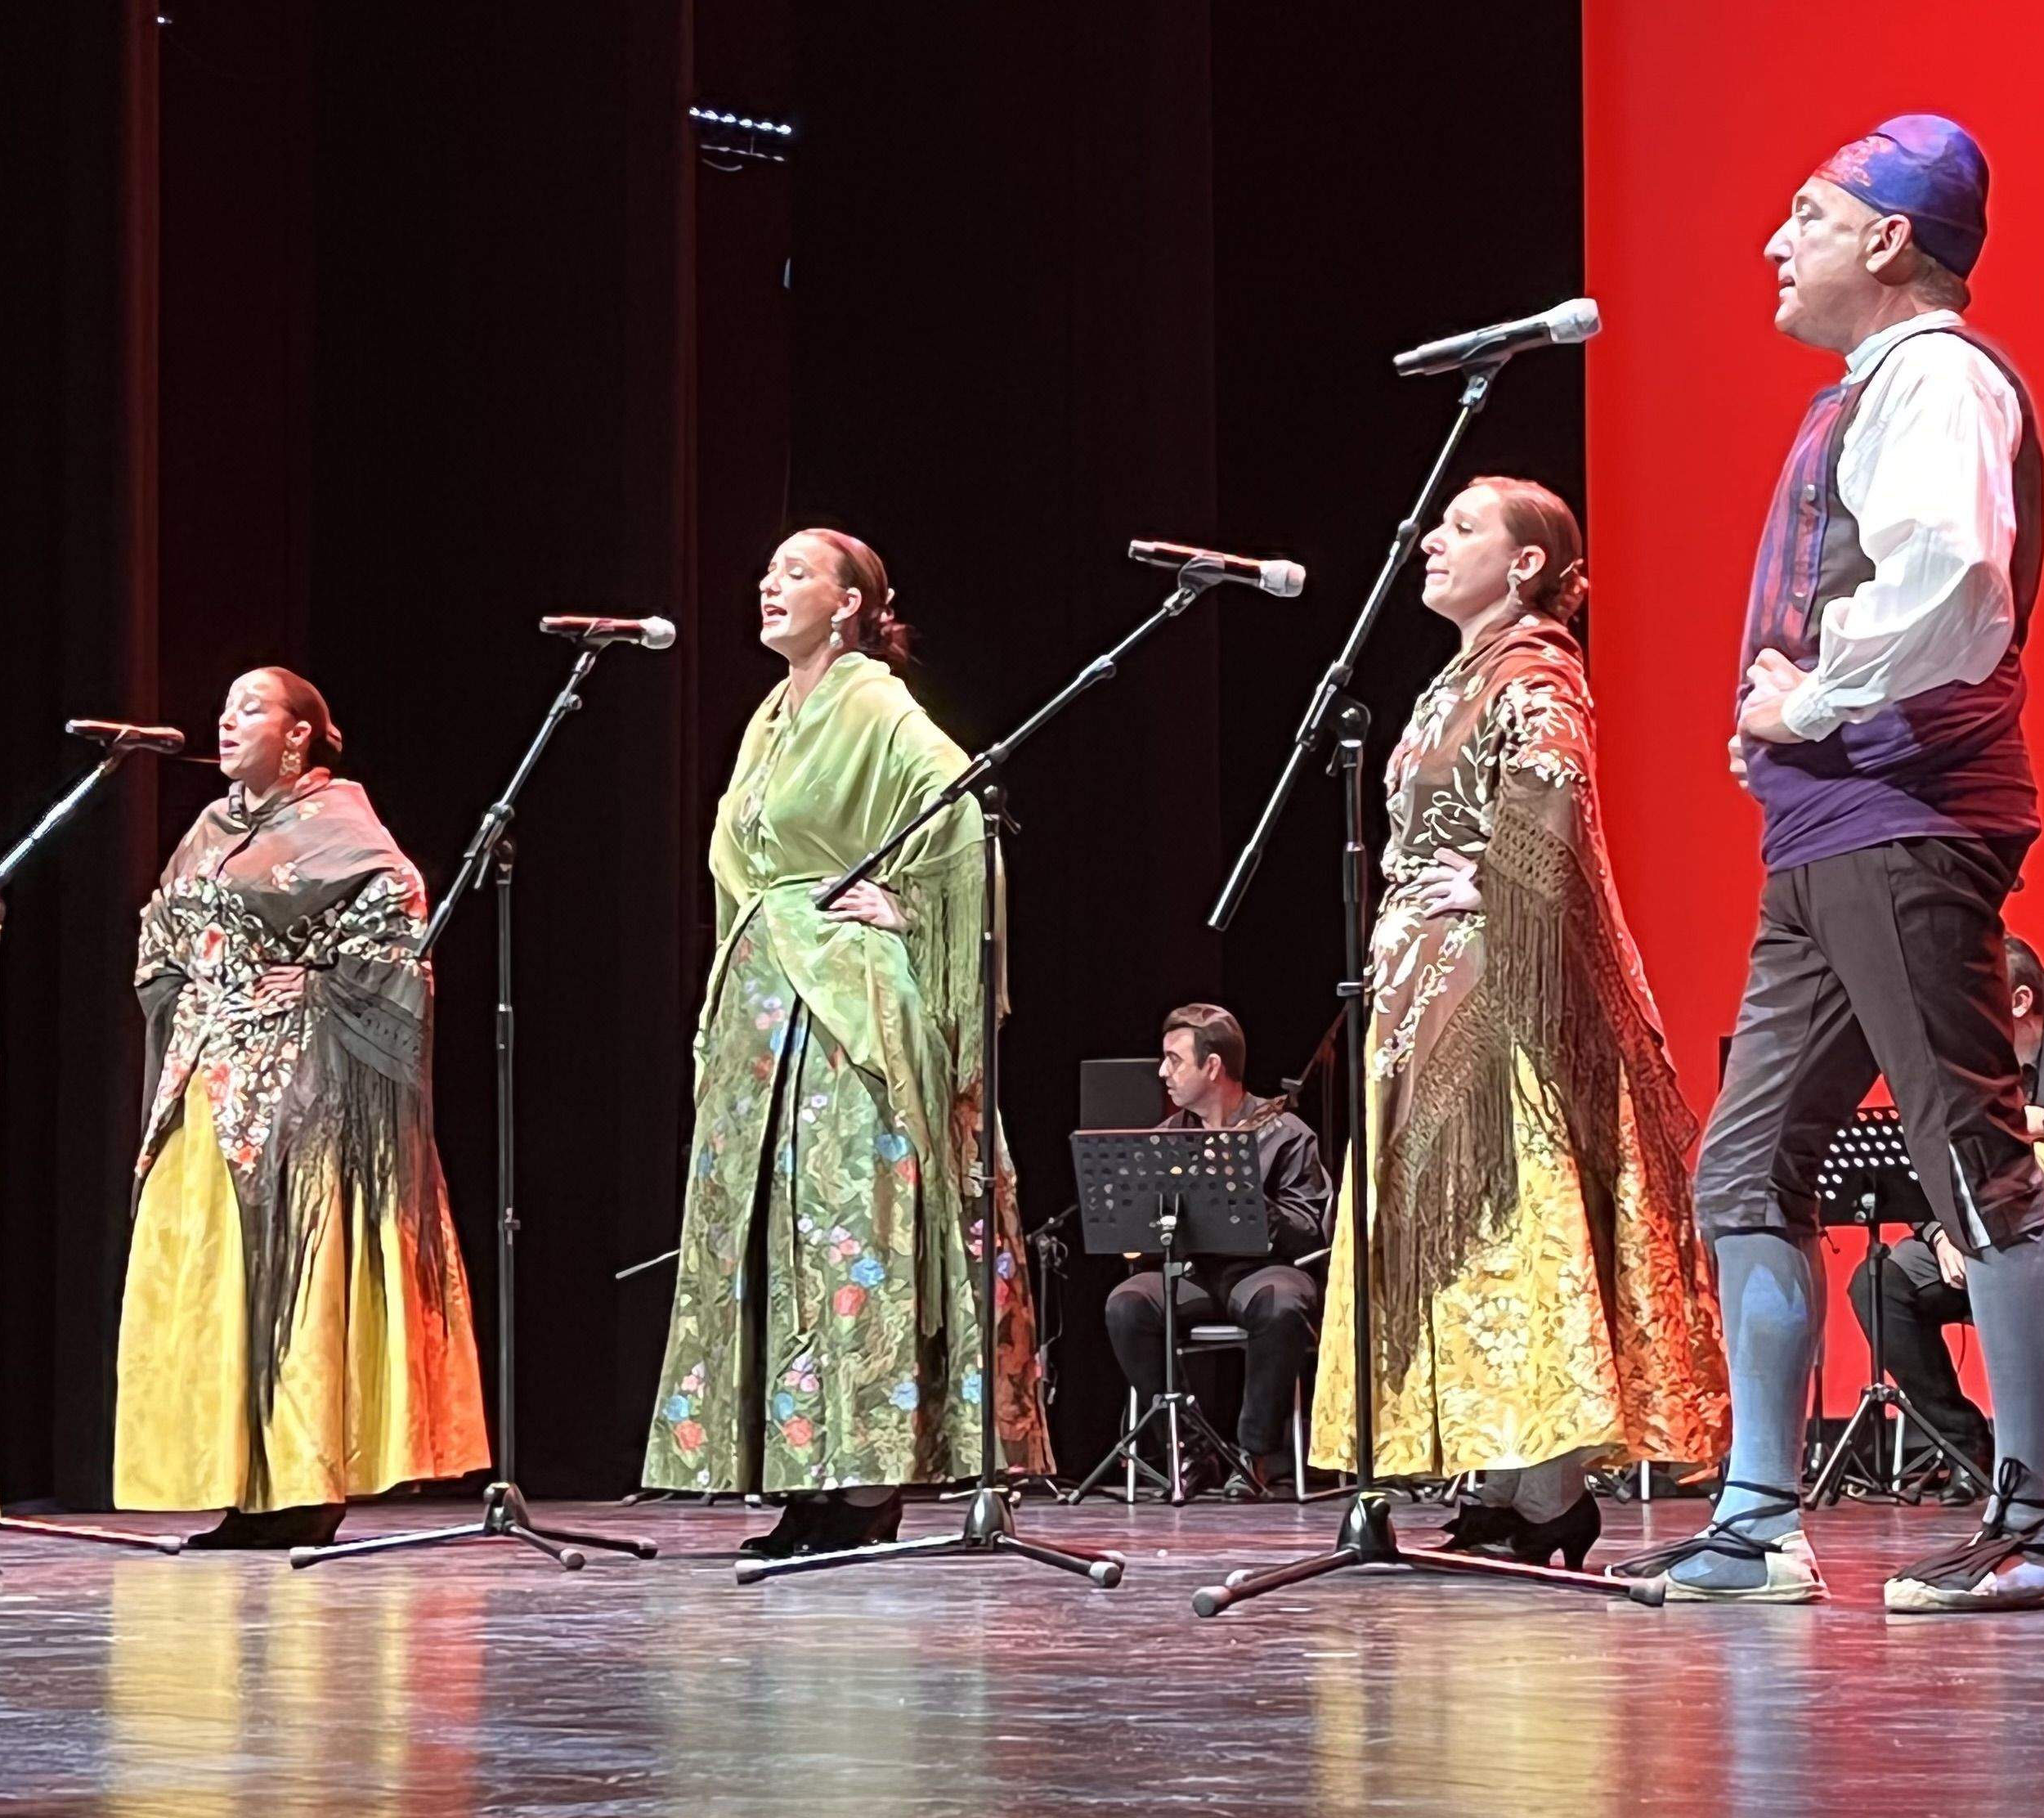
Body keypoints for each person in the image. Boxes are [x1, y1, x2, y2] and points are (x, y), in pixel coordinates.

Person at [1659, 114, 2044, 1611]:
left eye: (1806, 215)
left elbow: (1955, 582)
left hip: (1903, 815)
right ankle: (1758, 1516)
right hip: (1827, 823)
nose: (1776, 246)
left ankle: (2035, 1525)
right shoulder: (1866, 394)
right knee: (1745, 1163)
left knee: (1971, 1158)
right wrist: (1781, 729)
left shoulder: (1938, 378)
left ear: (1889, 239)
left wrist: (1817, 702)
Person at [1309, 474, 1728, 1573]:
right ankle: (1495, 1476)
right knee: (1456, 1223)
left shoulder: (1537, 673)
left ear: (1529, 564)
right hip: (1425, 984)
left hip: (1496, 987)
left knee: (1506, 1214)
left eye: (1462, 528)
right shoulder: (1456, 678)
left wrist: (1491, 888)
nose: (1431, 542)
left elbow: (1552, 802)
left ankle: (1548, 1491)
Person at [647, 529, 1051, 1558]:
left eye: (797, 573)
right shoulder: (771, 716)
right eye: (767, 571)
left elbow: (961, 808)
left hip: (844, 1000)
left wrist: (912, 907)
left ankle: (865, 1477)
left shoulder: (869, 700)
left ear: (854, 604)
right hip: (765, 997)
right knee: (776, 1234)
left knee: (846, 1225)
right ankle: (805, 1474)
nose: (770, 585)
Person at [115, 668, 491, 1549]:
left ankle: (304, 1483)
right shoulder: (209, 829)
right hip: (209, 1075)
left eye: (251, 707)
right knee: (218, 1276)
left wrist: (318, 987)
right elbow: (162, 928)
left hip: (299, 1080)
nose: (228, 718)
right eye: (224, 706)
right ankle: (237, 1484)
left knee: (293, 1269)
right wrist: (196, 982)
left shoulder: (340, 826)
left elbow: (400, 915)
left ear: (298, 735)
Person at [1847, 936, 2044, 1493]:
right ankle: (1968, 1443)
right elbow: (1928, 1170)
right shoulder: (1960, 1077)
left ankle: (2040, 1470)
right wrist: (1942, 1233)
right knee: (1881, 1282)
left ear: (2018, 1000)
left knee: (2036, 1271)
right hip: (1985, 1239)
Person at [1100, 1003, 1330, 1498]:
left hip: (1263, 1270)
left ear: (1213, 1066)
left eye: (1174, 1060)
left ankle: (1255, 1454)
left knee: (1283, 1304)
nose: (1163, 1072)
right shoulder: (1166, 1140)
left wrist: (1245, 1194)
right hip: (1192, 1274)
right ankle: (1192, 1450)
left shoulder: (1285, 1133)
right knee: (1128, 1304)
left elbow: (1309, 1228)